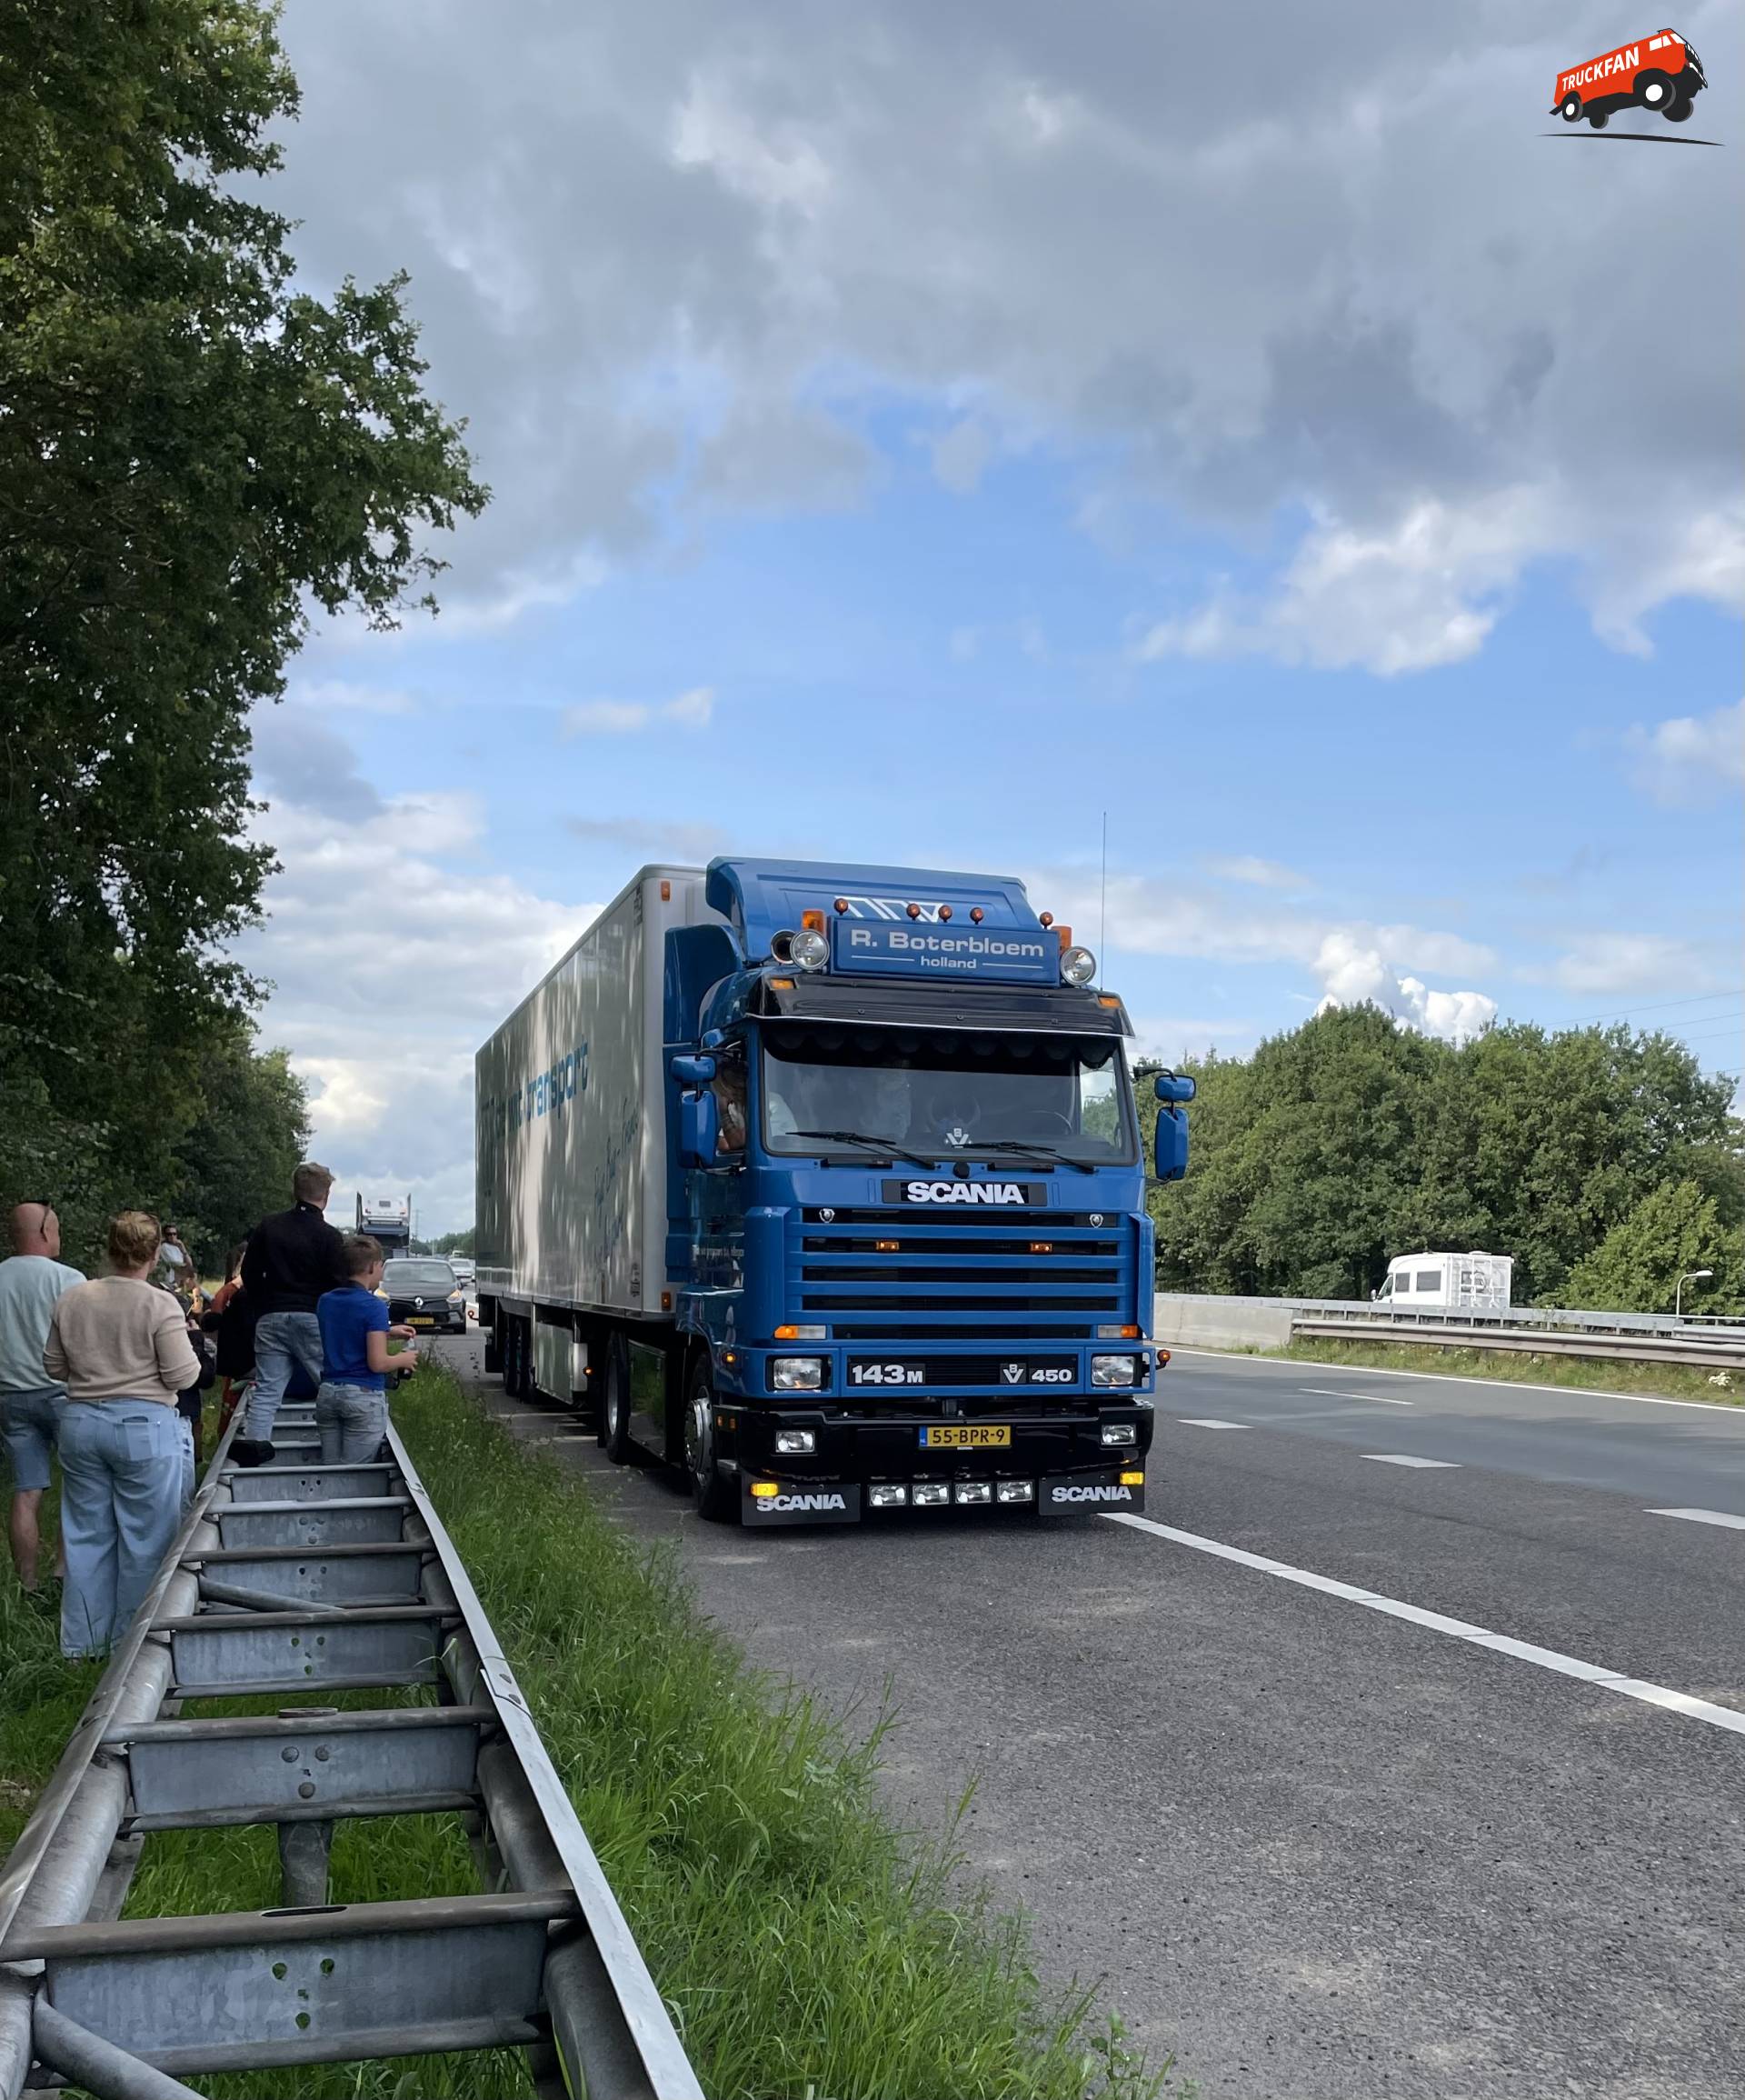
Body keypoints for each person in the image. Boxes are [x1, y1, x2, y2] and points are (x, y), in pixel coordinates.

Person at [45, 1212, 199, 1658]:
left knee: (85, 1535)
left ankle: (82, 1644)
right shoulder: (159, 1304)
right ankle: (132, 1647)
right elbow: (182, 1375)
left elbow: (54, 1365)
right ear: (155, 1254)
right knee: (146, 1539)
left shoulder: (74, 1297)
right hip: (143, 1427)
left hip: (81, 1423)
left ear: (109, 1248)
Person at [235, 1162, 347, 1466]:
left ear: (294, 1191)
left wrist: (263, 1304)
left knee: (268, 1389)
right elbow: (339, 1284)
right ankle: (339, 1452)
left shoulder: (268, 1227)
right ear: (326, 1195)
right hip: (311, 1317)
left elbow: (248, 1273)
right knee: (330, 1384)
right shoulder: (329, 1236)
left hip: (270, 1317)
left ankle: (256, 1449)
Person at [0, 1201, 84, 1598]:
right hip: (63, 1395)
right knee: (77, 1483)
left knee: (27, 1489)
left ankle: (27, 1584)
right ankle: (64, 1574)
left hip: (10, 1397)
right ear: (46, 1232)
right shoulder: (69, 1279)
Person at [314, 1235, 418, 1463]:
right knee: (354, 1475)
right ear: (372, 1267)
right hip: (362, 1396)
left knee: (330, 1469)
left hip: (328, 1394)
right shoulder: (374, 1306)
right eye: (381, 1265)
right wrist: (404, 1359)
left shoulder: (325, 1301)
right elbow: (378, 1363)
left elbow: (346, 1329)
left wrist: (387, 1331)